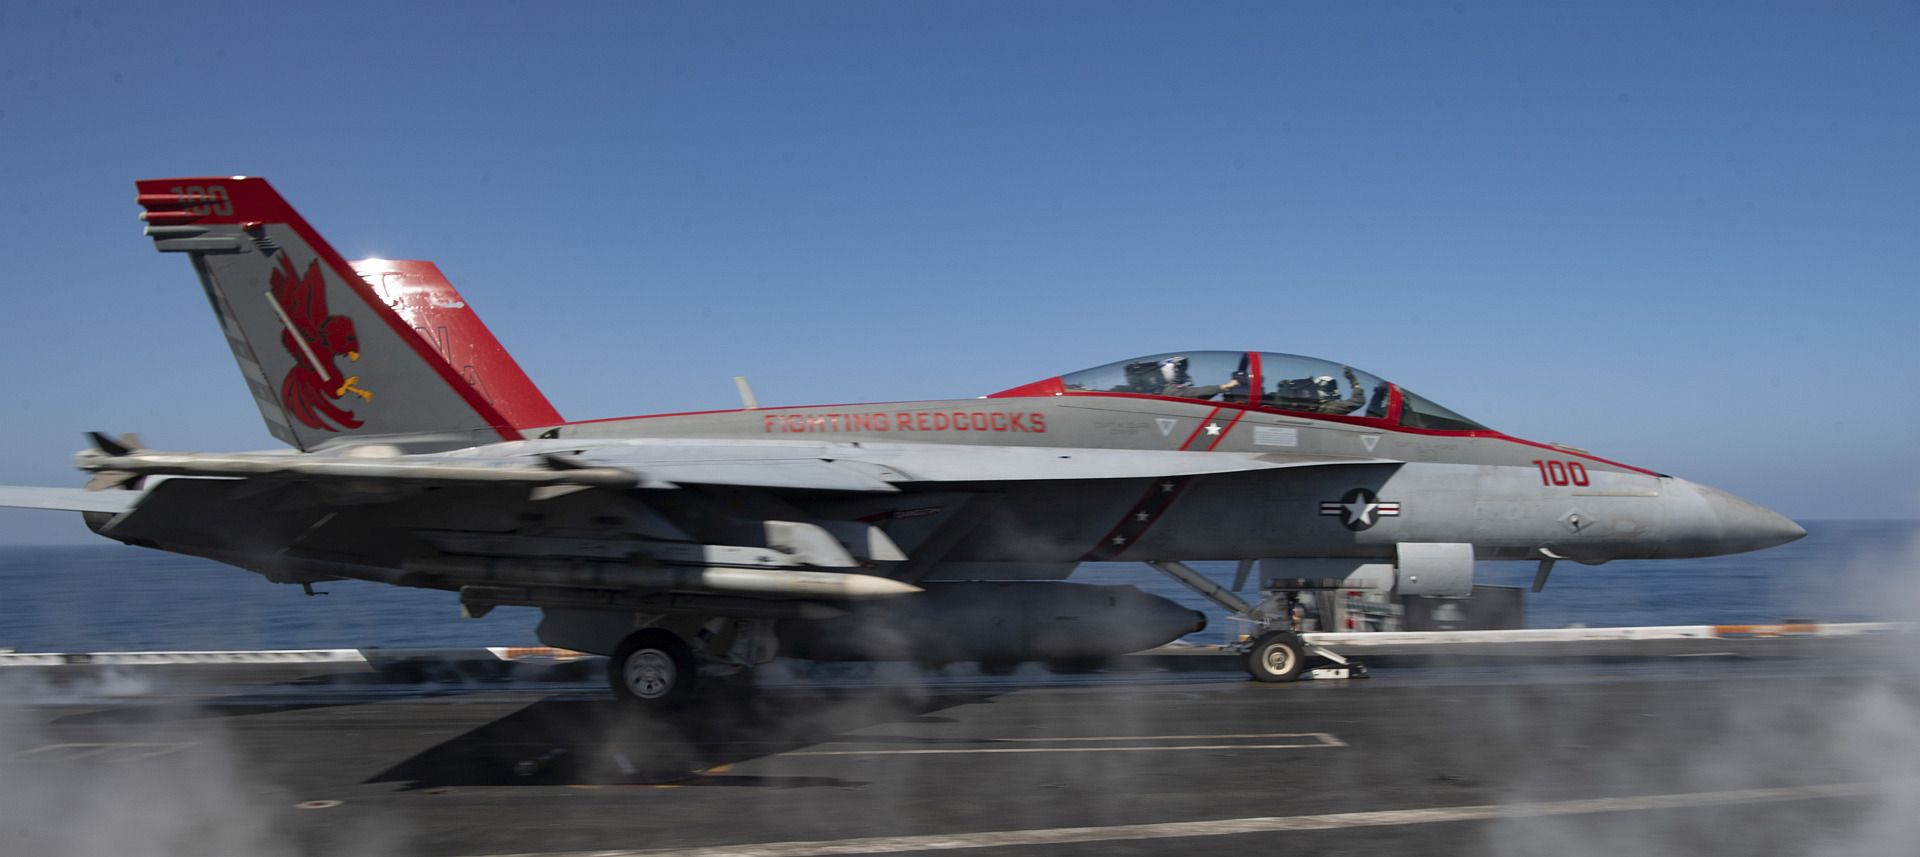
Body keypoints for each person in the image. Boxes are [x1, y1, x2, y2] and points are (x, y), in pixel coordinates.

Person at [1158, 356, 1244, 400]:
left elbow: (1199, 397)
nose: (1183, 373)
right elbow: (1195, 393)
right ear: (1170, 371)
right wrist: (1225, 386)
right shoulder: (1171, 390)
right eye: (1179, 370)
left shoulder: (1172, 390)